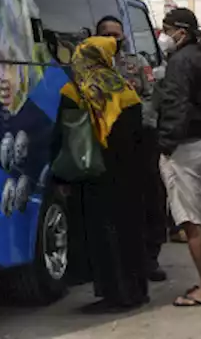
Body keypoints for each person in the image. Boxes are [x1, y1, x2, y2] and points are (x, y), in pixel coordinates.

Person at [57, 36, 150, 311]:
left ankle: (115, 295)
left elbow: (66, 136)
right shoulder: (125, 89)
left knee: (103, 233)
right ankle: (136, 290)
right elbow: (139, 135)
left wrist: (61, 176)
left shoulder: (74, 90)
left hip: (95, 173)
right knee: (130, 230)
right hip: (130, 173)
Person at [155, 8, 201, 307]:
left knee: (190, 222)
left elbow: (176, 106)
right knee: (199, 218)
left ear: (180, 32)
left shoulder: (181, 61)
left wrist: (164, 144)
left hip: (185, 147)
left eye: (166, 29)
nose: (164, 36)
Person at [97, 15, 167, 283]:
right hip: (107, 144)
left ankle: (150, 257)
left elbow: (151, 96)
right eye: (109, 35)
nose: (116, 40)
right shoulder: (93, 67)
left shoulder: (137, 63)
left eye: (119, 34)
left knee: (149, 197)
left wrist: (142, 125)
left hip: (140, 140)